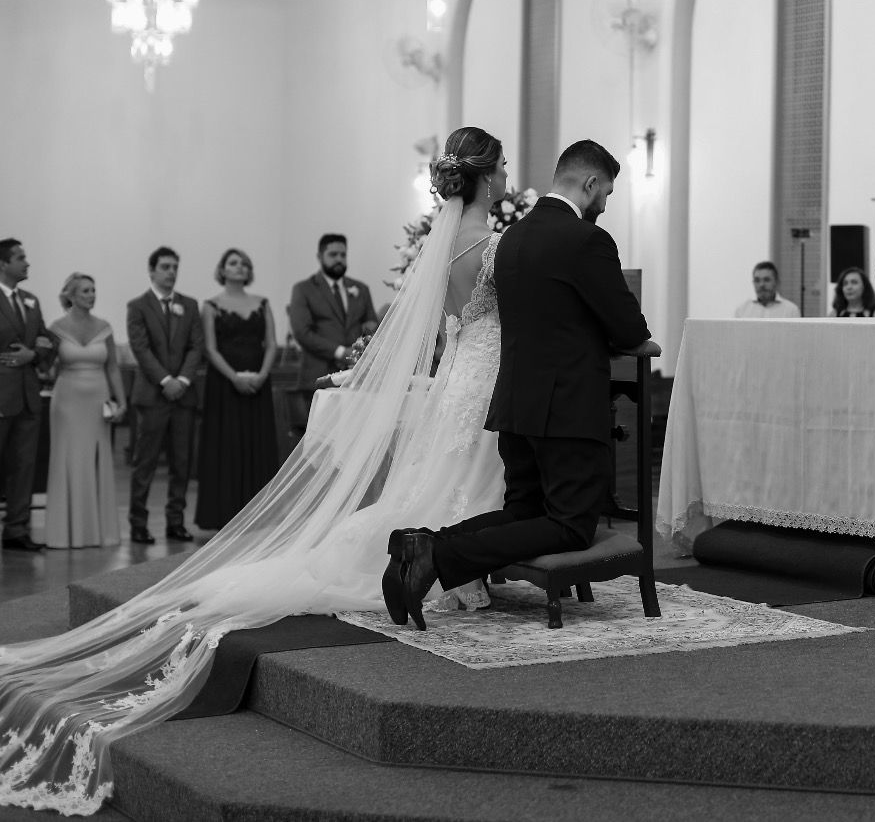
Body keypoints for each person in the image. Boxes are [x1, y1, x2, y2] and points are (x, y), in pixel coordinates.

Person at [0, 126, 518, 813]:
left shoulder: (438, 247)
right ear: (483, 174)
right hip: (483, 376)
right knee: (465, 474)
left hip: (459, 378)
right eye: (502, 166)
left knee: (442, 476)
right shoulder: (498, 246)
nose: (507, 176)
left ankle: (440, 554)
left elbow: (446, 324)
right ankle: (458, 561)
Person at [393, 139, 657, 631]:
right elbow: (628, 328)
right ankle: (436, 555)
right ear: (590, 183)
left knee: (523, 512)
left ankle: (420, 543)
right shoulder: (587, 240)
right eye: (606, 192)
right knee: (571, 526)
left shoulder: (511, 239)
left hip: (515, 405)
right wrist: (629, 338)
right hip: (567, 411)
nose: (605, 204)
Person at [195, 249, 280, 531]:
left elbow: (271, 343)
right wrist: (234, 378)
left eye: (244, 263)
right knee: (227, 446)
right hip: (224, 385)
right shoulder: (211, 306)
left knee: (258, 445)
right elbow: (210, 348)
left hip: (258, 382)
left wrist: (262, 375)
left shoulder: (262, 303)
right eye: (233, 263)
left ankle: (260, 515)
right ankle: (224, 514)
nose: (239, 267)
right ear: (222, 270)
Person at [126, 247, 204, 544]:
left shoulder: (189, 305)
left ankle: (176, 521)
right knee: (144, 462)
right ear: (152, 271)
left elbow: (196, 346)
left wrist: (182, 379)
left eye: (175, 267)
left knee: (181, 463)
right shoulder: (138, 306)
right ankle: (138, 523)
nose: (171, 272)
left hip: (183, 395)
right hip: (152, 395)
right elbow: (141, 348)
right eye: (165, 267)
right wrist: (165, 380)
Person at [44, 273, 127, 549]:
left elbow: (112, 367)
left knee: (96, 458)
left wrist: (121, 401)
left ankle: (97, 532)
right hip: (66, 402)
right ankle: (64, 533)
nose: (92, 295)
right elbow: (47, 367)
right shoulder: (56, 328)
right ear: (71, 295)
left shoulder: (105, 327)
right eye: (85, 291)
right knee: (68, 458)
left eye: (93, 290)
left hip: (98, 400)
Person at [0, 238, 57, 552]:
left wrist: (32, 355)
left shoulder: (31, 300)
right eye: (20, 258)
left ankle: (16, 529)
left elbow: (46, 340)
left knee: (23, 465)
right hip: (2, 393)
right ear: (3, 263)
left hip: (28, 395)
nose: (27, 263)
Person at [288, 233, 378, 397]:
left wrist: (359, 347)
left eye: (343, 255)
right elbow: (303, 333)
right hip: (318, 375)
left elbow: (371, 323)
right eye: (333, 254)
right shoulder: (304, 289)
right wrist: (340, 352)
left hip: (356, 376)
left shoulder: (361, 289)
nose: (339, 259)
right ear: (319, 256)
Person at [733, 262, 800, 318]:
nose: (761, 284)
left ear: (777, 282)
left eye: (766, 280)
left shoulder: (791, 311)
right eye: (757, 280)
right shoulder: (742, 310)